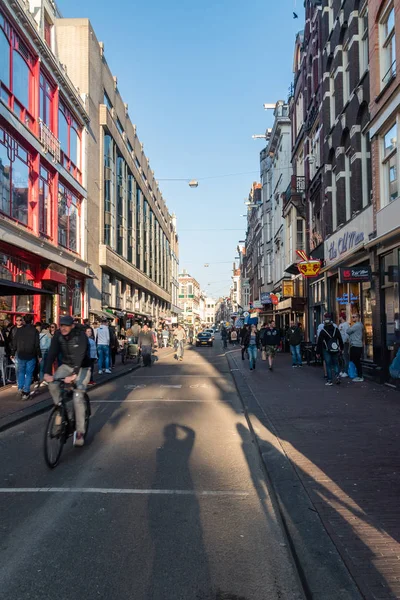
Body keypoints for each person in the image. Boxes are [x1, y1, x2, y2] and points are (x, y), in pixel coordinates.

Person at [44, 315, 91, 447]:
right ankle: (59, 410)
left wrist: (74, 374)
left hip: (82, 367)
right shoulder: (58, 336)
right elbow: (51, 354)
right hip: (66, 365)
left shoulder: (81, 336)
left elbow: (80, 355)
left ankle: (80, 431)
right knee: (53, 385)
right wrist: (47, 373)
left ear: (72, 326)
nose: (63, 328)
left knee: (77, 396)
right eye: (61, 325)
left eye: (66, 325)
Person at [11, 315, 41, 400]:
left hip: (21, 354)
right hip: (31, 354)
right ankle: (26, 391)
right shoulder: (35, 331)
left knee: (21, 371)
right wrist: (39, 355)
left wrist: (13, 352)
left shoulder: (19, 330)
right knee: (28, 373)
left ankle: (20, 388)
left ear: (24, 321)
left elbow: (15, 342)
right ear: (32, 321)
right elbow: (37, 344)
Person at [316, 313, 344, 386]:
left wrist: (318, 352)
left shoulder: (323, 331)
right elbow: (340, 339)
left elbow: (319, 342)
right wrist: (342, 348)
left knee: (328, 365)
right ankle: (337, 376)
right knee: (335, 363)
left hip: (326, 349)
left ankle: (329, 380)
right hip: (335, 348)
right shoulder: (336, 330)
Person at [348, 313, 364, 382]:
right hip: (356, 345)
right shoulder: (359, 325)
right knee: (356, 360)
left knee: (356, 361)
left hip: (356, 345)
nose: (353, 318)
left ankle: (360, 376)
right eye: (352, 317)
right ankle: (357, 375)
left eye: (354, 317)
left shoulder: (357, 325)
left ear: (358, 317)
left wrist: (350, 327)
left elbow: (348, 331)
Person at [338, 313, 350, 378]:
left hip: (344, 343)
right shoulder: (340, 325)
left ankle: (346, 371)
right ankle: (342, 370)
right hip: (340, 343)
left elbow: (347, 334)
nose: (339, 317)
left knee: (345, 357)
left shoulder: (346, 325)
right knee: (341, 358)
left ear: (341, 317)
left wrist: (343, 342)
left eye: (339, 316)